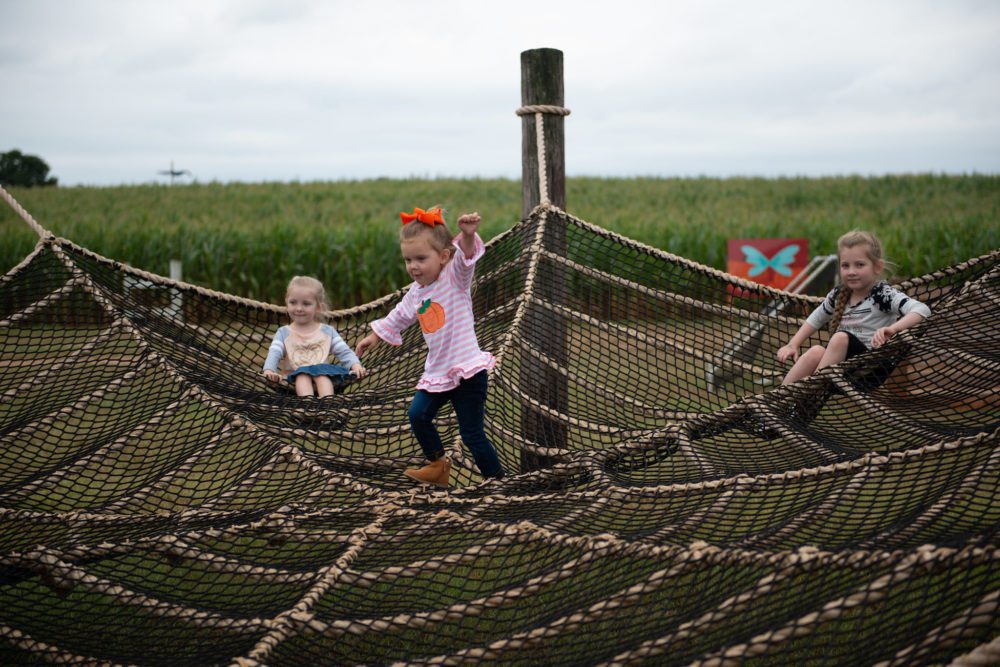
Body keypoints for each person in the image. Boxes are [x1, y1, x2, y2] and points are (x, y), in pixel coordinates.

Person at [355, 207, 505, 487]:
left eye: (421, 259)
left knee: (472, 434)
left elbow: (466, 259)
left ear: (443, 257)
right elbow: (400, 314)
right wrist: (375, 336)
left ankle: (497, 482)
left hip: (468, 372)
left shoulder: (454, 278)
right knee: (417, 414)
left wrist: (468, 235)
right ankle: (438, 466)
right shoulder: (416, 292)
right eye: (408, 259)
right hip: (438, 371)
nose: (413, 266)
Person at [777, 230, 931, 385]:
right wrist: (793, 344)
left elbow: (922, 310)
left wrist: (893, 329)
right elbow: (817, 317)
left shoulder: (882, 294)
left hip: (870, 370)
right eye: (845, 265)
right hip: (840, 368)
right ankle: (780, 401)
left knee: (840, 338)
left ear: (877, 267)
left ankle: (814, 391)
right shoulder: (839, 294)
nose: (851, 272)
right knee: (816, 351)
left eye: (859, 265)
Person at [263, 276, 366, 396]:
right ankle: (309, 406)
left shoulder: (327, 331)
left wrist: (356, 365)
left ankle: (327, 407)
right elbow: (274, 353)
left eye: (306, 304)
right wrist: (269, 370)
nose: (299, 308)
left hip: (323, 377)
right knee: (302, 375)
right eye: (293, 302)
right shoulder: (284, 333)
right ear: (286, 302)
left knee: (321, 375)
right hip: (294, 379)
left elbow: (344, 352)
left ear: (318, 307)